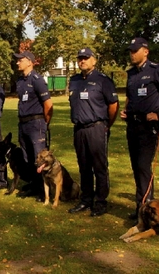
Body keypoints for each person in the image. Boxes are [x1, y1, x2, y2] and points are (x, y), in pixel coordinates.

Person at [120, 37, 159, 219]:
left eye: (135, 50)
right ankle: (142, 207)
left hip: (148, 127)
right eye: (130, 51)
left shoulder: (156, 70)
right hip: (132, 125)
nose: (132, 54)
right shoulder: (131, 73)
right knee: (136, 167)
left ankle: (147, 207)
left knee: (143, 166)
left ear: (145, 51)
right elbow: (130, 96)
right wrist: (126, 110)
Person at [67, 48, 119, 217]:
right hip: (79, 129)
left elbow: (113, 105)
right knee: (84, 167)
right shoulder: (74, 80)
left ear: (94, 60)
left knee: (99, 167)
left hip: (97, 128)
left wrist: (106, 125)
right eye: (80, 58)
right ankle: (86, 199)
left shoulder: (103, 80)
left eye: (86, 58)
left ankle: (101, 201)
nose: (82, 61)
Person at [14, 50, 53, 198]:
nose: (18, 62)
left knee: (40, 158)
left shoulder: (37, 79)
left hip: (36, 123)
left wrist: (44, 123)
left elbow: (48, 104)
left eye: (20, 60)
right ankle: (34, 185)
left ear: (29, 61)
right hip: (23, 123)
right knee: (27, 157)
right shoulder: (20, 81)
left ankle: (44, 190)